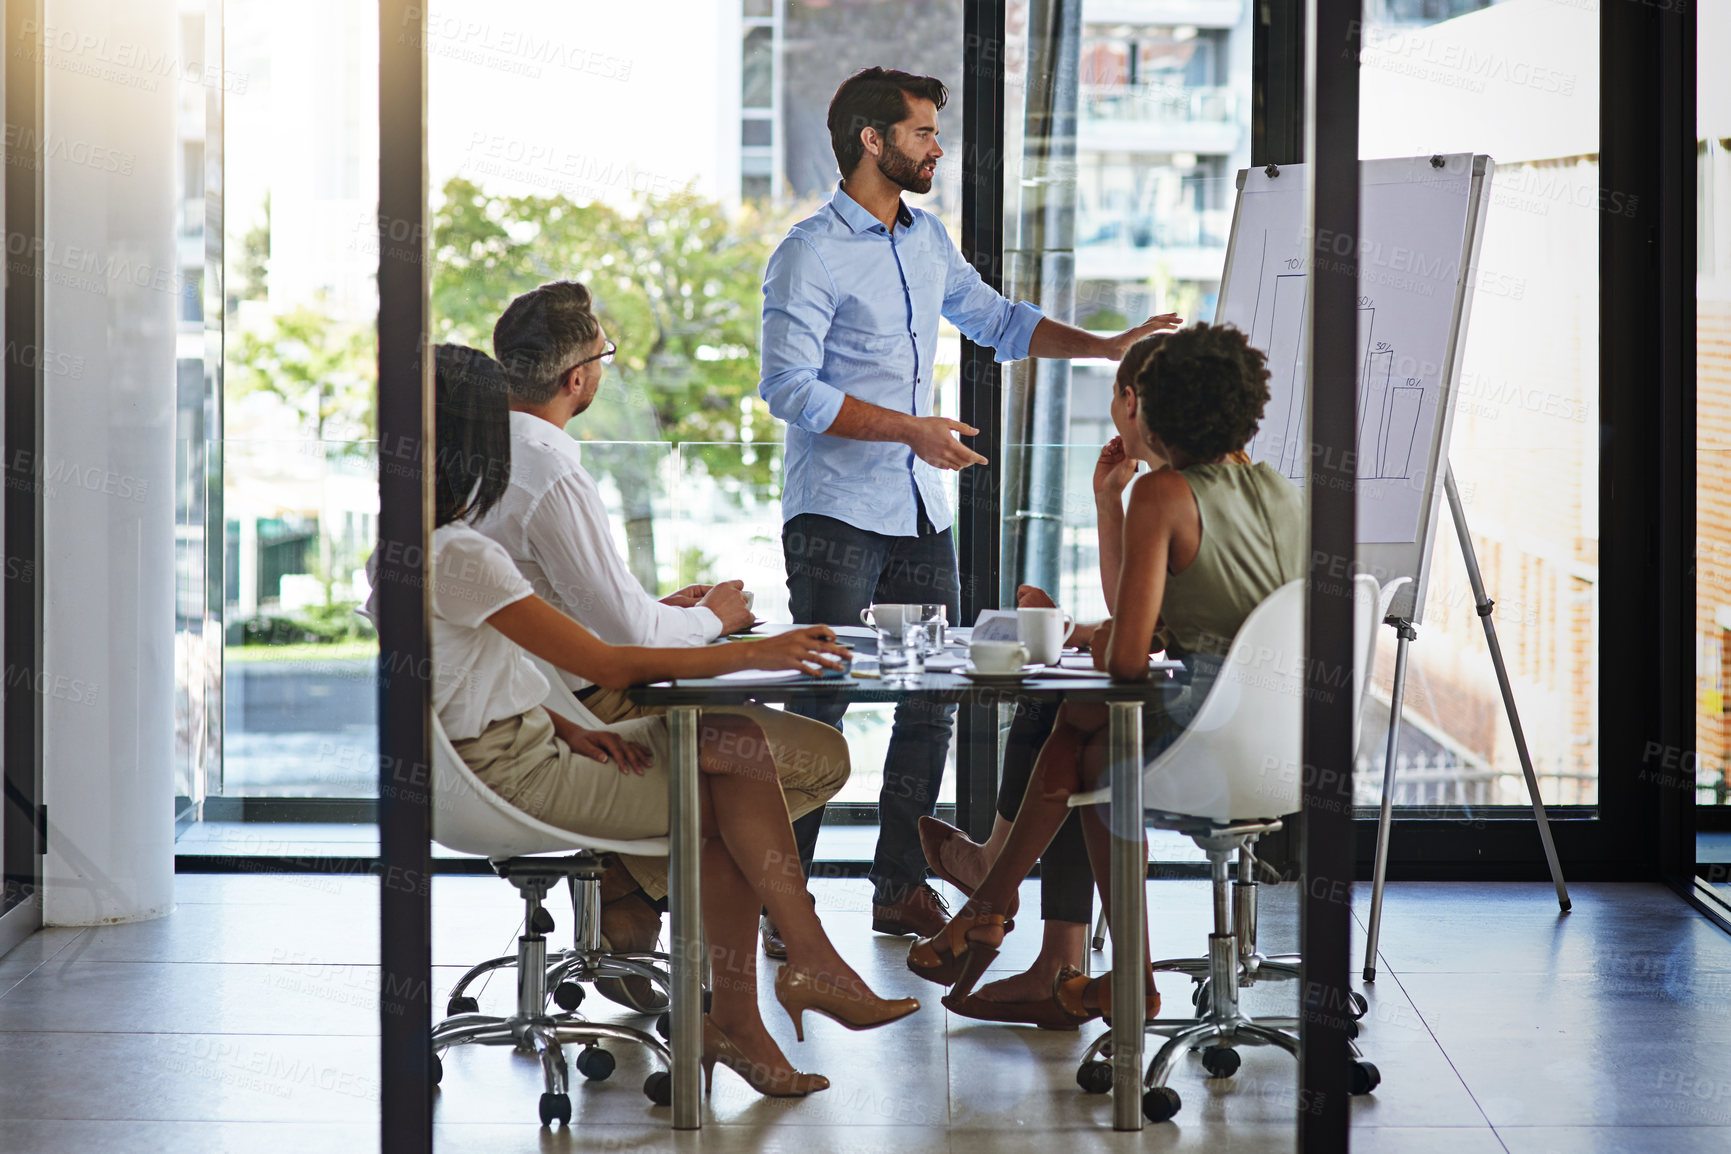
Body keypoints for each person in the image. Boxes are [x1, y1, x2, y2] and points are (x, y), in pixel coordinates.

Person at [413, 344, 918, 1097]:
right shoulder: (463, 553)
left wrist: (561, 721)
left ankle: (777, 984)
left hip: (502, 752)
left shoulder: (413, 542)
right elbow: (614, 665)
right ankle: (765, 994)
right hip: (508, 773)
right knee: (732, 799)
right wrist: (759, 653)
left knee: (734, 740)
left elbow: (460, 671)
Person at [760, 64, 1180, 940]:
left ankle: (897, 886)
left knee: (934, 695)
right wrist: (911, 430)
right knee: (822, 704)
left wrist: (1108, 347)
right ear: (871, 142)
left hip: (919, 510)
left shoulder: (925, 239)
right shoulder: (808, 251)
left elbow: (997, 321)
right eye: (920, 133)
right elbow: (788, 388)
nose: (935, 148)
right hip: (835, 510)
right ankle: (781, 903)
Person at [903, 323, 1303, 1024]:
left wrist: (1107, 626)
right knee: (1085, 738)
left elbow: (1125, 656)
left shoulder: (1168, 494)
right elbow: (1146, 630)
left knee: (1086, 735)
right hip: (1287, 741)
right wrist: (1110, 510)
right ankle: (1062, 948)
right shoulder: (1281, 490)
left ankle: (999, 913)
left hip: (1212, 737)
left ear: (1154, 407)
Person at [476, 281, 852, 993]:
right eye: (604, 356)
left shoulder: (467, 471)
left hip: (519, 707)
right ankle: (631, 880)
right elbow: (628, 637)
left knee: (731, 758)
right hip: (582, 712)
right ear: (577, 377)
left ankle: (631, 890)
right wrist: (718, 619)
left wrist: (656, 609)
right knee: (815, 759)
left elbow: (534, 605)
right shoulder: (549, 471)